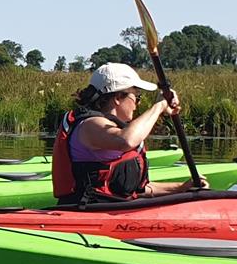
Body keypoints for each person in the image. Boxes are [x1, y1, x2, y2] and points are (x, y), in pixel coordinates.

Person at [51, 62, 203, 205]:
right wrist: (159, 106)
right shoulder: (90, 126)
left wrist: (183, 188)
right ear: (118, 98)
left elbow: (139, 190)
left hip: (113, 210)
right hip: (86, 211)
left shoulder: (115, 128)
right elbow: (127, 141)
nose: (138, 103)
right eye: (137, 97)